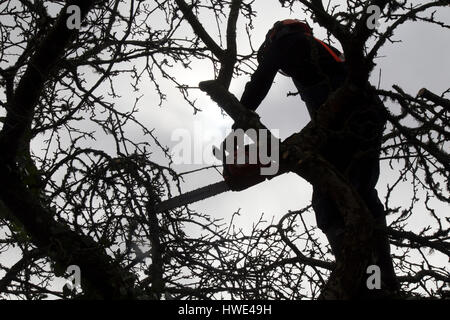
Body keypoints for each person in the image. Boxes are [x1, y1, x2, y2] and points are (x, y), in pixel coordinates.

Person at [238, 19, 399, 294]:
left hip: (344, 123)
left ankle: (360, 278)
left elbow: (261, 78)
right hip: (366, 120)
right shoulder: (321, 50)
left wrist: (240, 115)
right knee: (362, 192)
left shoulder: (287, 42)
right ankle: (382, 279)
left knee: (328, 199)